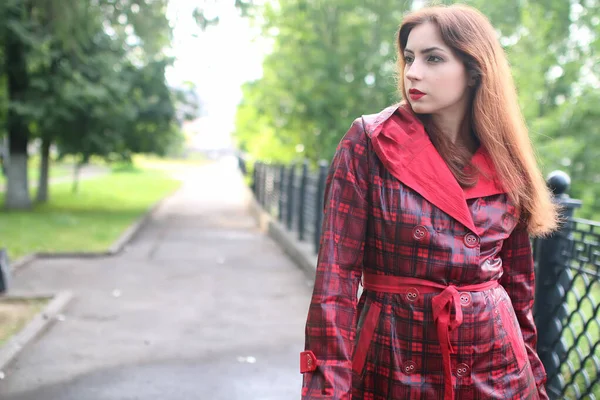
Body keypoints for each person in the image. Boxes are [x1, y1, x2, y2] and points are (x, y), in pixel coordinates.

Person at [300, 4, 558, 400]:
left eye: (432, 58)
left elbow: (518, 287)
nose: (412, 72)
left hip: (498, 365)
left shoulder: (506, 155)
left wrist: (535, 381)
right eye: (408, 58)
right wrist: (325, 389)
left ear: (474, 70)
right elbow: (334, 283)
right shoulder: (370, 142)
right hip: (396, 355)